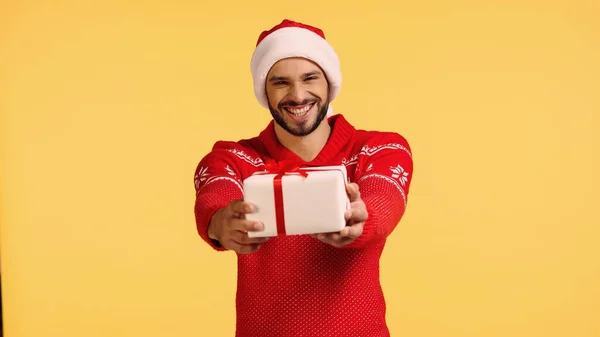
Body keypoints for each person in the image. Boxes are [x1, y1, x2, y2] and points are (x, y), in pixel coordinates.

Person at [193, 19, 413, 337]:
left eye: (310, 78)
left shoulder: (379, 148)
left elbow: (383, 202)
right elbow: (214, 197)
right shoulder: (232, 158)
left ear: (329, 84)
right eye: (280, 82)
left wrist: (361, 221)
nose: (298, 95)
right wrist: (221, 223)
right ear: (263, 91)